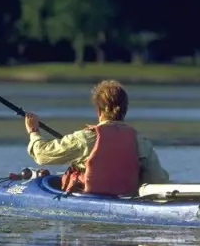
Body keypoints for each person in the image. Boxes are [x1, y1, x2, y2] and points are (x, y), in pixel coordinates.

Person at [24, 80, 169, 196]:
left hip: (89, 199)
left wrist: (33, 131)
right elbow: (158, 179)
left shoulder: (85, 138)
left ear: (99, 110)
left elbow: (41, 155)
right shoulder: (141, 142)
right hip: (126, 199)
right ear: (125, 110)